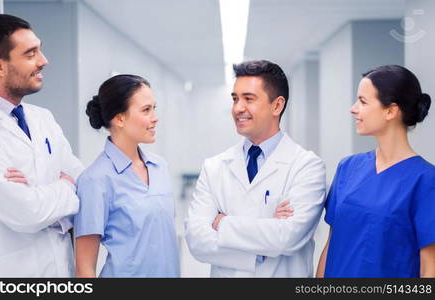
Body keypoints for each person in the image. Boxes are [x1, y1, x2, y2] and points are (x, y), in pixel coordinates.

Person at [185, 60, 326, 277]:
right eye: (235, 99)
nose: (238, 108)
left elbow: (288, 237)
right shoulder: (214, 167)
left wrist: (222, 223)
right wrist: (263, 242)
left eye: (248, 99)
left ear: (277, 106)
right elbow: (197, 239)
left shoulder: (306, 166)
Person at [0, 14, 83, 277]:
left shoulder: (43, 119)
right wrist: (65, 185)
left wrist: (41, 193)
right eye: (31, 54)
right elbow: (26, 212)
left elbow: (85, 181)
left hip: (59, 272)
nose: (44, 61)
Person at [316, 65, 435, 278]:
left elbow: (430, 269)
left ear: (390, 110)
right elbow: (332, 243)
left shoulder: (425, 180)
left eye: (362, 101)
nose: (353, 108)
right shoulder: (348, 168)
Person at [74, 74, 179, 277]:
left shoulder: (159, 167)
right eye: (146, 110)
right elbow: (84, 269)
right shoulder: (96, 180)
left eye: (154, 108)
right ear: (119, 118)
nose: (155, 117)